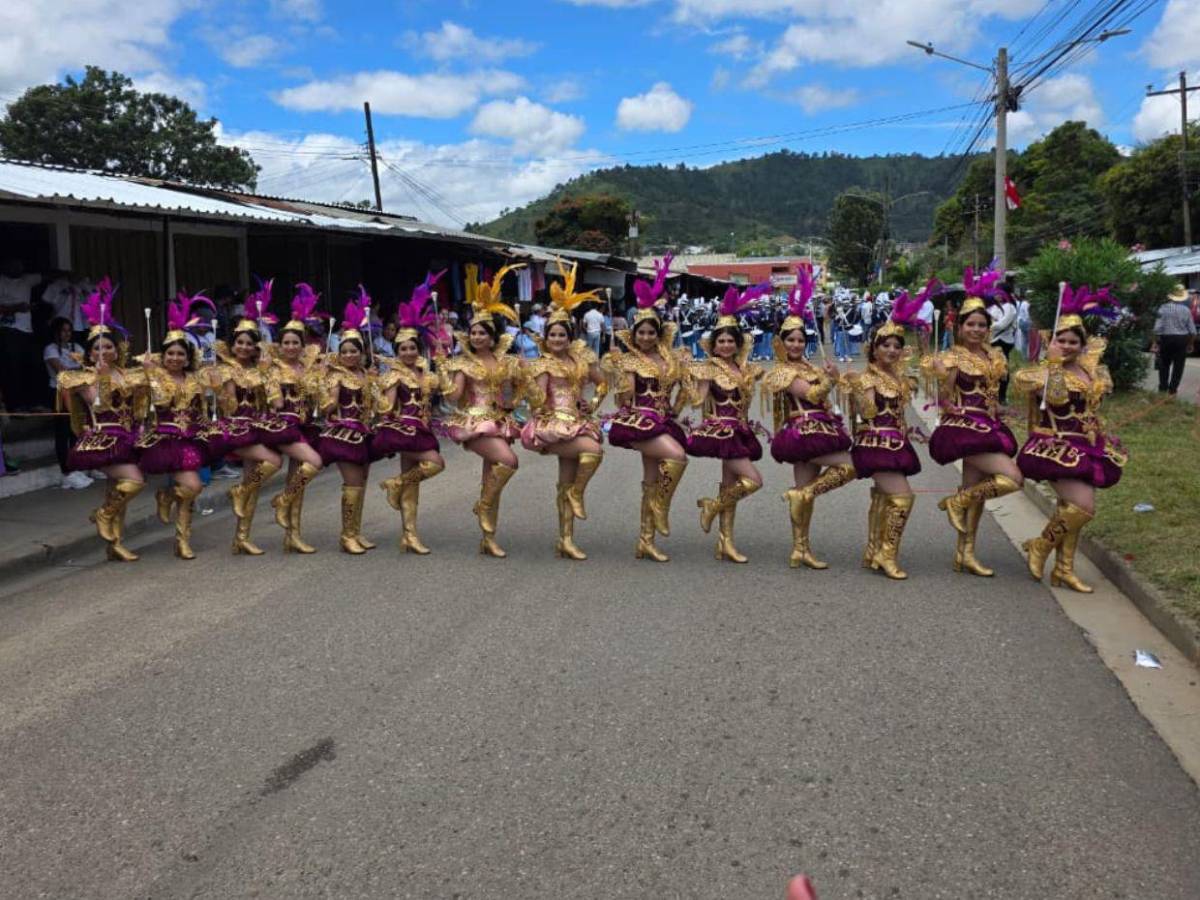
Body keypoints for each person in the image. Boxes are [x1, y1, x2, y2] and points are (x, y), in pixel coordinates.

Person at [1014, 285, 1127, 593]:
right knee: (1082, 506)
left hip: (1088, 446)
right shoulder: (1041, 374)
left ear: (1082, 344)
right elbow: (1058, 399)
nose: (1066, 345)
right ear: (1052, 341)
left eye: (1072, 341)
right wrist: (1052, 364)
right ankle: (1040, 546)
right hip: (1056, 446)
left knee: (1071, 508)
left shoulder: (1094, 372)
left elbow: (1094, 407)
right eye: (1061, 340)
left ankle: (1064, 570)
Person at [922, 272, 1023, 577]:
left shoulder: (994, 356)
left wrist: (999, 411)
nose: (977, 329)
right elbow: (944, 399)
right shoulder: (953, 358)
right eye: (971, 324)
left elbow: (993, 394)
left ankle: (964, 553)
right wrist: (956, 404)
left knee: (976, 489)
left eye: (982, 324)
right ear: (960, 326)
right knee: (1012, 477)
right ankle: (956, 502)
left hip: (990, 425)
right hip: (966, 428)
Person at [603, 254, 690, 562]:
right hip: (638, 421)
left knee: (651, 481)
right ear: (633, 334)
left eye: (651, 332)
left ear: (659, 334)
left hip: (663, 421)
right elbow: (623, 400)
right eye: (641, 332)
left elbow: (683, 397)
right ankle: (661, 510)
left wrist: (684, 368)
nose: (646, 337)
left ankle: (646, 540)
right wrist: (617, 370)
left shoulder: (669, 359)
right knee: (677, 457)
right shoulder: (628, 360)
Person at [766, 268, 854, 569]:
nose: (795, 345)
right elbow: (811, 395)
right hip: (803, 429)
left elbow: (827, 398)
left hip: (822, 426)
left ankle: (801, 548)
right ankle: (799, 532)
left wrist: (835, 378)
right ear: (781, 342)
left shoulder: (811, 366)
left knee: (807, 497)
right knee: (847, 467)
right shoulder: (781, 370)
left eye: (800, 340)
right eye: (790, 340)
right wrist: (828, 382)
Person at [520, 260, 607, 560]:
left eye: (562, 335)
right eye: (552, 335)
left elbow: (602, 384)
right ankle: (577, 495)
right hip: (554, 423)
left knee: (565, 479)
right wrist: (526, 379)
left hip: (578, 419)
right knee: (593, 452)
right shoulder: (543, 364)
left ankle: (565, 539)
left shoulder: (581, 361)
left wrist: (592, 402)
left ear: (571, 337)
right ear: (545, 337)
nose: (557, 339)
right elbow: (536, 399)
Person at [56, 278, 148, 561]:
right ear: (89, 352)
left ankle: (115, 544)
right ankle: (102, 515)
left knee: (115, 490)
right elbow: (100, 402)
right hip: (103, 439)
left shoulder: (127, 374)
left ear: (116, 349)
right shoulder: (84, 378)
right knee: (134, 482)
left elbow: (140, 405)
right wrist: (99, 375)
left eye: (107, 347)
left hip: (127, 436)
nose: (103, 352)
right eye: (96, 348)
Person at [438, 265, 525, 558]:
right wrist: (442, 374)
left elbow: (519, 391)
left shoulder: (506, 362)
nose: (476, 337)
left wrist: (518, 393)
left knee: (492, 478)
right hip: (475, 422)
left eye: (481, 333)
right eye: (472, 332)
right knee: (509, 462)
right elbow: (454, 396)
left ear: (492, 336)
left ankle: (488, 537)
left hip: (499, 420)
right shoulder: (464, 364)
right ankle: (483, 506)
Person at [687, 282, 770, 563]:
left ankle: (726, 542)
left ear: (737, 343)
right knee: (753, 480)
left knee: (730, 483)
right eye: (720, 341)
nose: (725, 345)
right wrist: (688, 379)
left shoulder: (745, 369)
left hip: (741, 431)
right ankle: (712, 506)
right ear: (713, 344)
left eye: (729, 341)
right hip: (721, 431)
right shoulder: (707, 369)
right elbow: (698, 402)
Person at [844, 293, 924, 580]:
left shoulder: (900, 379)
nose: (891, 350)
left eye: (896, 346)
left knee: (882, 497)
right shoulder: (867, 378)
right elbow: (867, 412)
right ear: (873, 349)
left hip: (895, 442)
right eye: (885, 345)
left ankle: (873, 549)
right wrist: (857, 387)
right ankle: (886, 554)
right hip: (874, 443)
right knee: (903, 497)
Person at [136, 291, 215, 559]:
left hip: (190, 438)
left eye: (181, 353)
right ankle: (169, 499)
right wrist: (151, 374)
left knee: (194, 487)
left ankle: (181, 535)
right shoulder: (154, 376)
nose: (175, 358)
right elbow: (158, 402)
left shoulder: (195, 379)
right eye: (170, 353)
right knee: (192, 487)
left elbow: (201, 409)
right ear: (163, 354)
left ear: (187, 356)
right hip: (165, 438)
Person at [374, 272, 446, 554]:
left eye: (412, 348)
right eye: (402, 349)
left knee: (414, 484)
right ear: (397, 351)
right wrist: (375, 389)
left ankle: (409, 535)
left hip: (423, 429)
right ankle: (395, 486)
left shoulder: (426, 372)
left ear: (419, 349)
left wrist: (444, 363)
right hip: (405, 430)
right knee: (435, 464)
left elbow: (446, 392)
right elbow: (386, 407)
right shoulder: (393, 374)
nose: (407, 352)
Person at [211, 284, 283, 556]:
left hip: (258, 427)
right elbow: (229, 406)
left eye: (248, 343)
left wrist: (268, 374)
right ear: (232, 344)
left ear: (256, 347)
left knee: (253, 479)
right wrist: (220, 386)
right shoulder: (225, 369)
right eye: (239, 342)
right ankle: (238, 493)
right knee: (273, 462)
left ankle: (241, 537)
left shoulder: (261, 369)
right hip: (235, 429)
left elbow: (276, 403)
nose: (243, 347)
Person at [264, 283, 326, 554]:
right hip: (284, 426)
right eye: (286, 342)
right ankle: (282, 501)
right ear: (280, 345)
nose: (290, 347)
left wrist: (320, 380)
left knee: (297, 479)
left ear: (303, 346)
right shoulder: (273, 369)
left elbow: (319, 403)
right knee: (314, 462)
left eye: (295, 343)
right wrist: (270, 378)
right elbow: (276, 402)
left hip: (306, 426)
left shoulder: (310, 368)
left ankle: (293, 534)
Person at [316, 288, 379, 555]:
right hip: (343, 434)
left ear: (362, 353)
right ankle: (346, 535)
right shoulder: (334, 375)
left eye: (355, 351)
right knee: (352, 482)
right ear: (338, 353)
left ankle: (355, 531)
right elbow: (326, 406)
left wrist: (376, 385)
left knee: (362, 482)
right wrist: (324, 388)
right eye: (345, 351)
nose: (350, 355)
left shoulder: (367, 374)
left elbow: (378, 407)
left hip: (365, 433)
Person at [44, 316, 90, 489]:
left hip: (76, 392)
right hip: (58, 391)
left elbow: (86, 367)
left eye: (69, 330)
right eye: (63, 330)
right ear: (56, 332)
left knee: (74, 430)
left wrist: (78, 370)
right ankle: (66, 472)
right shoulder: (50, 349)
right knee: (62, 431)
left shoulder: (76, 347)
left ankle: (75, 467)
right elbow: (61, 371)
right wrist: (76, 369)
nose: (67, 334)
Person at [0, 258, 43, 410]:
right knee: (12, 369)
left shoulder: (27, 280)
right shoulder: (2, 282)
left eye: (20, 265)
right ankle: (15, 405)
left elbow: (47, 276)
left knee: (32, 366)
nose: (18, 268)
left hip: (27, 330)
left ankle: (33, 403)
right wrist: (15, 308)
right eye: (13, 265)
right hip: (8, 330)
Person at [1152, 283, 1196, 395]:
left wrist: (1154, 343)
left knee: (1164, 364)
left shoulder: (1163, 308)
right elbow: (1192, 331)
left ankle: (1162, 389)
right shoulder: (1186, 310)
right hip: (1181, 340)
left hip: (1166, 339)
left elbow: (1156, 328)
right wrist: (1190, 344)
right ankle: (1172, 391)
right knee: (1178, 366)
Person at [987, 273, 1018, 404]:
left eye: (999, 293)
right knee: (991, 368)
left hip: (1003, 341)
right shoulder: (993, 307)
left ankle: (1002, 396)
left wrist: (989, 325)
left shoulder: (1010, 307)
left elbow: (1001, 324)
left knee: (1002, 369)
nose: (996, 295)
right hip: (992, 340)